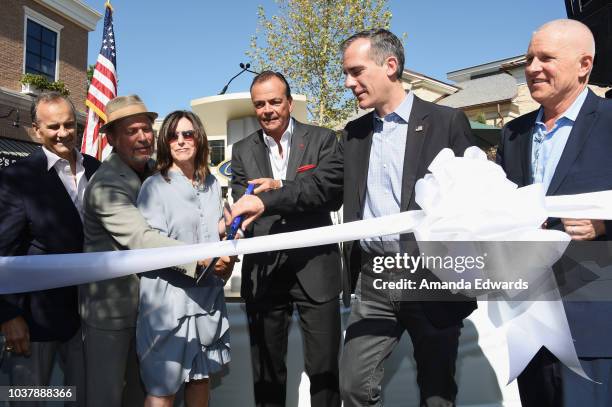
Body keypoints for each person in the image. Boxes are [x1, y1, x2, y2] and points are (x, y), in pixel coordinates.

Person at [231, 29, 477, 407]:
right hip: (374, 278)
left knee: (437, 391)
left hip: (430, 275)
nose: (349, 82)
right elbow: (320, 186)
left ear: (390, 66)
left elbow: (476, 195)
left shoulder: (446, 122)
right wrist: (269, 198)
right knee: (353, 387)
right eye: (347, 73)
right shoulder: (354, 134)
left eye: (356, 71)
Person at [496, 19, 612, 407]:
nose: (531, 68)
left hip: (595, 324)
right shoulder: (513, 134)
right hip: (529, 322)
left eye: (546, 57)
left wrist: (604, 223)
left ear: (584, 65)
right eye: (529, 58)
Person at [80, 95, 200, 407]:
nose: (143, 137)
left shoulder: (156, 172)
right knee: (105, 395)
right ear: (112, 138)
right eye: (132, 131)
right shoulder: (105, 184)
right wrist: (199, 258)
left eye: (146, 129)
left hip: (152, 309)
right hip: (113, 312)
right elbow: (140, 237)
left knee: (141, 392)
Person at [231, 71, 342, 407]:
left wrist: (274, 192)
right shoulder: (241, 151)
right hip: (264, 274)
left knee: (324, 372)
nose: (267, 110)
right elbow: (243, 205)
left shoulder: (323, 140)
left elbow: (328, 192)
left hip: (316, 271)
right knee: (266, 373)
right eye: (260, 104)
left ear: (289, 103)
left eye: (275, 101)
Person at [0, 91, 100, 406]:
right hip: (34, 320)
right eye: (53, 126)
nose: (62, 133)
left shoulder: (97, 170)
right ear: (36, 130)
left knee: (80, 398)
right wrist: (8, 314)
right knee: (29, 399)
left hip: (89, 315)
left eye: (69, 125)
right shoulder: (18, 177)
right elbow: (3, 249)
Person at [135, 110, 234, 407]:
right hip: (168, 304)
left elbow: (213, 234)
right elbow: (151, 246)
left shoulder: (212, 184)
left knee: (200, 381)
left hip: (206, 299)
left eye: (187, 134)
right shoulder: (154, 186)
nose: (180, 141)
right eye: (172, 135)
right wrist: (203, 261)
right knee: (162, 389)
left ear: (199, 138)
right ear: (165, 142)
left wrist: (228, 243)